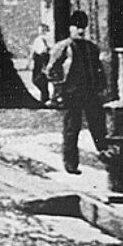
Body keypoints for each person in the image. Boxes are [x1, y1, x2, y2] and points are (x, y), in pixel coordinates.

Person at [45, 10, 108, 174]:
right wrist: (59, 89)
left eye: (83, 27)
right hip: (72, 94)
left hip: (90, 92)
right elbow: (51, 70)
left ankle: (107, 157)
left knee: (98, 125)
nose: (80, 30)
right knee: (72, 128)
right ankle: (71, 164)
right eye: (76, 26)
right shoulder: (62, 47)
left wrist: (101, 87)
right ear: (70, 28)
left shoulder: (91, 48)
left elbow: (99, 70)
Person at [29, 22, 54, 105]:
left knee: (41, 79)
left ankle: (45, 98)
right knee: (36, 79)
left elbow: (46, 50)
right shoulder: (38, 39)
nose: (40, 31)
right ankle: (44, 97)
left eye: (42, 29)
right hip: (38, 60)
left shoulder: (45, 39)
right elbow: (33, 50)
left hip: (42, 60)